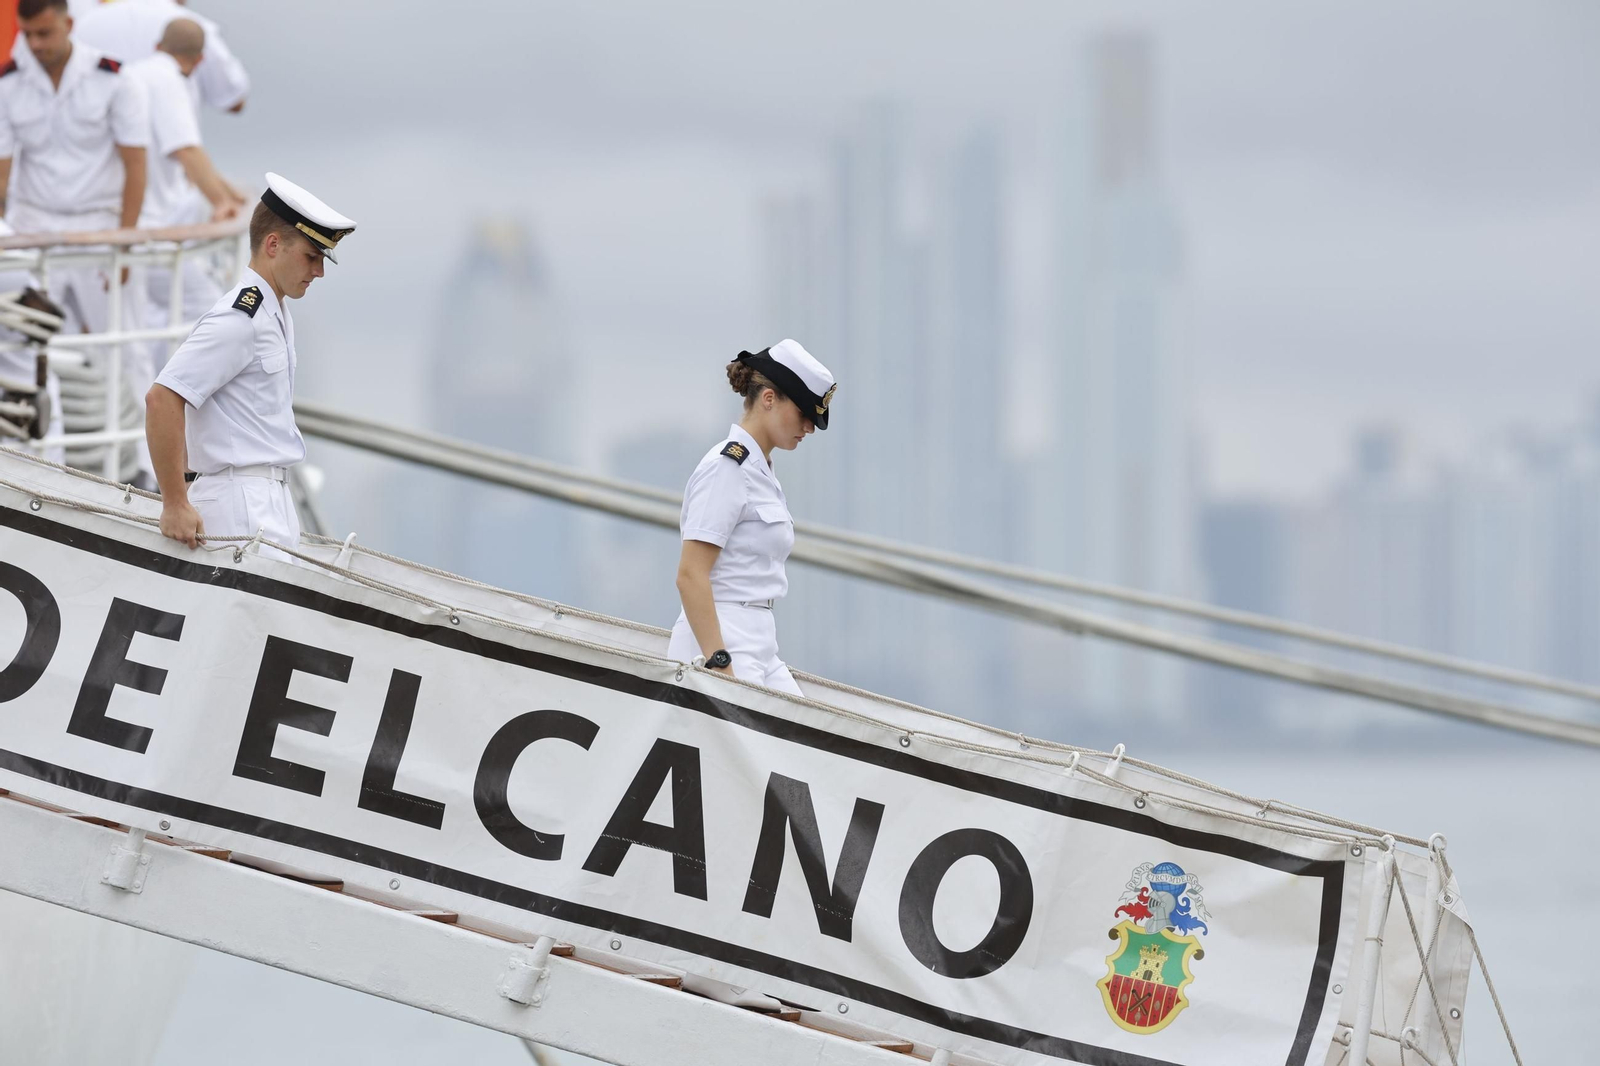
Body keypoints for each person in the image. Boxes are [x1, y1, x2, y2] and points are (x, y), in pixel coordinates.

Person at [144, 173, 354, 559]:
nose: (319, 271)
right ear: (273, 244)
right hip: (242, 504)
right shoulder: (240, 318)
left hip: (267, 501)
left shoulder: (273, 313)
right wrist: (175, 502)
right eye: (312, 256)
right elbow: (162, 398)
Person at [667, 339, 836, 695]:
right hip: (723, 633)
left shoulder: (761, 471)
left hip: (760, 637)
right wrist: (718, 662)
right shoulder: (727, 467)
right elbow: (690, 574)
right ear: (769, 399)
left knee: (798, 741)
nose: (808, 426)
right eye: (804, 413)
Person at [0, 0, 149, 336]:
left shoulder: (115, 79)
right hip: (32, 229)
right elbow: (1, 174)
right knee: (30, 344)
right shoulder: (7, 84)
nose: (35, 44)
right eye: (27, 34)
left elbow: (136, 165)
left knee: (121, 344)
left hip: (100, 228)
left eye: (44, 33)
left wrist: (125, 245)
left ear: (68, 25)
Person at [125, 19, 244, 329]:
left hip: (122, 225)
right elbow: (187, 150)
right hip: (150, 229)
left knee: (141, 323)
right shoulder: (168, 80)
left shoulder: (136, 74)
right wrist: (222, 203)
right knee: (207, 309)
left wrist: (228, 192)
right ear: (200, 59)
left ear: (158, 46)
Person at [68, 0, 249, 114]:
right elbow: (232, 99)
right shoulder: (192, 27)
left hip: (93, 166)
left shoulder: (81, 26)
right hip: (171, 162)